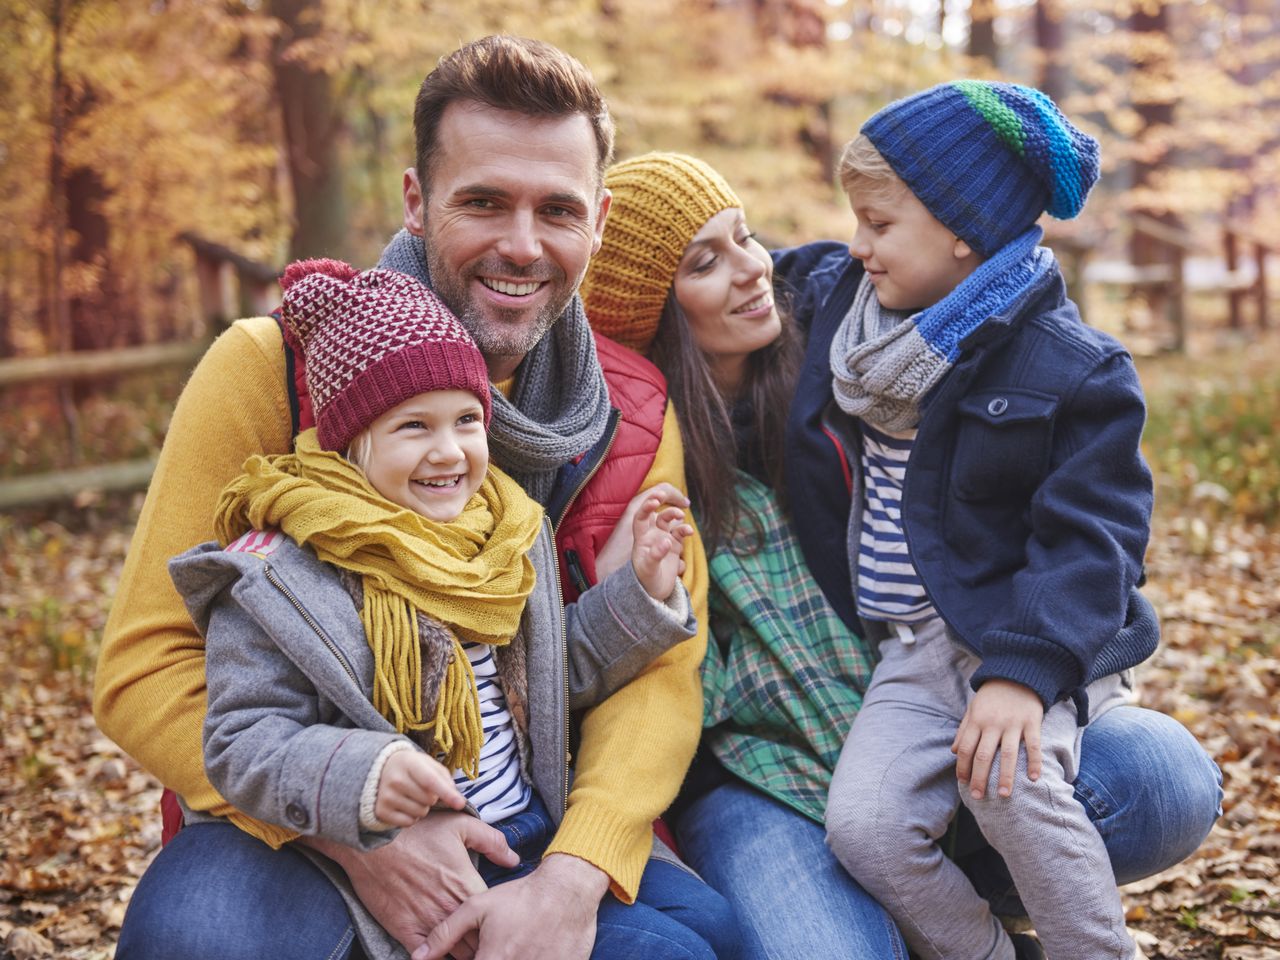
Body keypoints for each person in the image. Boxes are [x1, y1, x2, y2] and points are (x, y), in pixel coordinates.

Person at [96, 36, 717, 960]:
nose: (522, 243)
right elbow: (146, 665)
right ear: (417, 203)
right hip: (295, 810)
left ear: (599, 220)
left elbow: (659, 673)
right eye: (482, 202)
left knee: (709, 942)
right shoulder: (272, 370)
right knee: (200, 938)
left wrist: (575, 874)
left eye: (558, 209)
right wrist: (351, 831)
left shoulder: (629, 410)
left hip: (528, 808)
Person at [581, 147, 1222, 959]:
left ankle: (977, 892)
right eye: (705, 263)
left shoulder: (851, 357)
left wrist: (1024, 668)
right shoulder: (625, 448)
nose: (751, 270)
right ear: (650, 311)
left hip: (928, 692)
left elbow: (1028, 369)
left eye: (746, 237)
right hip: (758, 768)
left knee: (1160, 783)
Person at [168, 257, 737, 960]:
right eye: (413, 426)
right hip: (401, 852)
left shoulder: (501, 536)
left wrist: (641, 594)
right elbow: (240, 740)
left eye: (466, 419)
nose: (449, 451)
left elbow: (552, 677)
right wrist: (360, 773)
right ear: (353, 443)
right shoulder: (279, 575)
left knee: (715, 923)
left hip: (523, 826)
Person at [816, 81, 1157, 960]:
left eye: (880, 225)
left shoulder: (1074, 368)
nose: (859, 248)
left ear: (961, 229)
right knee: (864, 825)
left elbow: (1096, 542)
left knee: (1013, 782)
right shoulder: (862, 331)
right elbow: (765, 266)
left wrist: (1022, 672)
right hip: (911, 648)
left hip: (1017, 634)